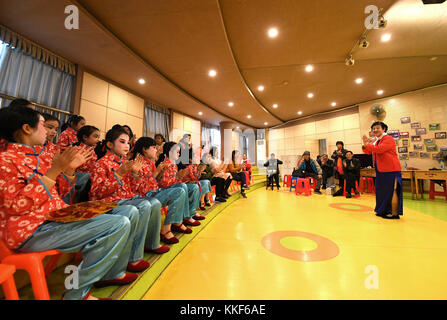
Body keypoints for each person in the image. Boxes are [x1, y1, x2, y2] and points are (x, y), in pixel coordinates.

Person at [0, 106, 138, 300]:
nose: (49, 131)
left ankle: (88, 285)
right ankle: (77, 294)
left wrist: (69, 171)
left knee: (125, 217)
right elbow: (16, 206)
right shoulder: (5, 160)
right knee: (118, 223)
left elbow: (60, 193)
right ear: (26, 128)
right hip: (31, 231)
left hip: (55, 220)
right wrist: (54, 171)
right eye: (43, 125)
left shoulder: (42, 156)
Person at [90, 125, 168, 272]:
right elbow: (97, 193)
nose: (127, 145)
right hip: (110, 203)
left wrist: (135, 175)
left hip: (128, 198)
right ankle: (133, 258)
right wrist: (118, 174)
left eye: (128, 142)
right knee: (143, 205)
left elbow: (134, 187)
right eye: (122, 142)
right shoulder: (101, 164)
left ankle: (150, 244)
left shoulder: (126, 162)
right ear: (109, 144)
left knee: (155, 203)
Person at [130, 137, 189, 245]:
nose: (156, 150)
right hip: (146, 196)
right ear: (144, 149)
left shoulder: (151, 163)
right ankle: (168, 228)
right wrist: (158, 172)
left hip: (155, 192)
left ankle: (179, 220)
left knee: (183, 187)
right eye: (154, 148)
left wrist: (161, 173)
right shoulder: (137, 164)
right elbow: (143, 189)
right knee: (180, 190)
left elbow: (155, 182)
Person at [362, 121, 403, 219]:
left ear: (384, 129)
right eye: (373, 128)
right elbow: (368, 151)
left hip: (391, 169)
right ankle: (382, 210)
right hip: (381, 170)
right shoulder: (376, 141)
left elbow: (379, 149)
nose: (375, 130)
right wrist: (366, 144)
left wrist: (368, 145)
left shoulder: (388, 139)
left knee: (391, 191)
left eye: (377, 128)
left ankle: (393, 213)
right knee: (382, 191)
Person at [156, 142, 201, 228]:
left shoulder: (174, 164)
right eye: (177, 152)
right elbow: (164, 184)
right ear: (170, 153)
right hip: (164, 191)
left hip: (173, 188)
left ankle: (189, 215)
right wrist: (178, 178)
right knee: (183, 187)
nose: (179, 154)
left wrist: (179, 178)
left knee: (194, 186)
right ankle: (183, 218)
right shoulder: (166, 164)